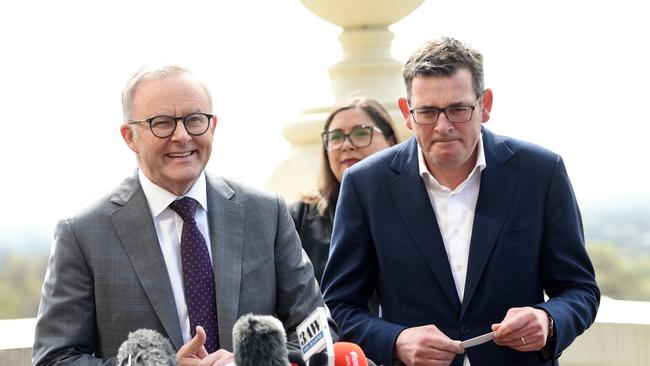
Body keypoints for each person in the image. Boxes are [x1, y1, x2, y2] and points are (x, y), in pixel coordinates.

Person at [321, 37, 600, 366]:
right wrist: (396, 341)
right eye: (427, 111)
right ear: (406, 112)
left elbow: (580, 290)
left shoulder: (541, 172)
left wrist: (548, 321)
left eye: (458, 109)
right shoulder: (365, 185)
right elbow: (338, 307)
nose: (443, 126)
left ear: (486, 105)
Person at [33, 65, 331, 366]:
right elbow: (55, 358)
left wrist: (248, 362)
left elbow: (318, 333)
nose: (182, 135)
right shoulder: (83, 233)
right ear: (130, 137)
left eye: (194, 120)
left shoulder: (266, 213)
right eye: (162, 123)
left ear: (212, 127)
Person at [290, 97, 398, 284]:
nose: (346, 145)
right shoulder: (298, 219)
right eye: (336, 137)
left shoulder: (417, 206)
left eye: (361, 133)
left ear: (391, 141)